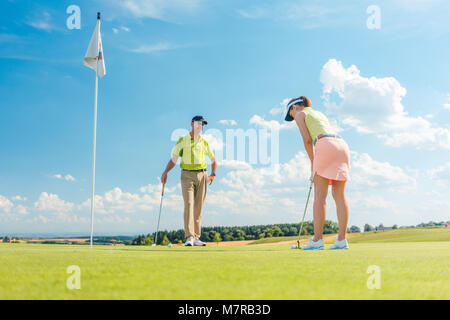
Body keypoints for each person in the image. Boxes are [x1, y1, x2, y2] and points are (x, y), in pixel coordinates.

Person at [285, 96, 350, 250]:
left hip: (324, 145)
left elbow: (307, 140)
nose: (292, 117)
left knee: (320, 197)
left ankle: (317, 240)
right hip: (341, 145)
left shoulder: (300, 115)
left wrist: (312, 162)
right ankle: (342, 240)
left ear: (295, 108)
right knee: (339, 195)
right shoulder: (318, 113)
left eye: (290, 114)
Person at [161, 115, 217, 246]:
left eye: (203, 124)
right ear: (192, 124)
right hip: (187, 175)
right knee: (189, 204)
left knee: (198, 208)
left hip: (202, 175)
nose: (201, 126)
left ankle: (196, 237)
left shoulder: (204, 142)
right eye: (199, 123)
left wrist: (212, 175)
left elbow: (214, 161)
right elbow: (173, 160)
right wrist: (165, 172)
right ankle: (189, 237)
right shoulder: (182, 140)